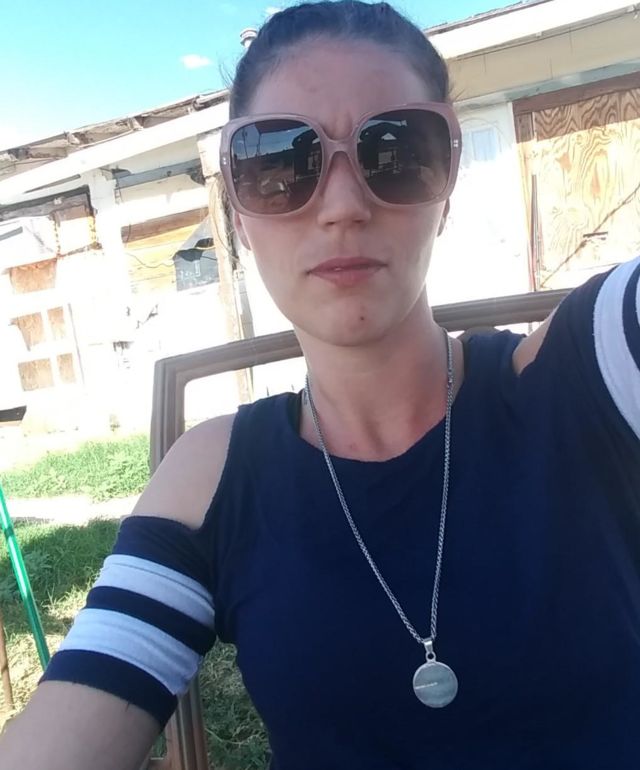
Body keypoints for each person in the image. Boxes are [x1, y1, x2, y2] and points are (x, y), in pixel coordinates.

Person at [2, 2, 639, 768]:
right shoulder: (216, 477)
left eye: (397, 150)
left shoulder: (592, 375)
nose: (342, 206)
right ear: (239, 212)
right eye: (279, 162)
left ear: (446, 183)